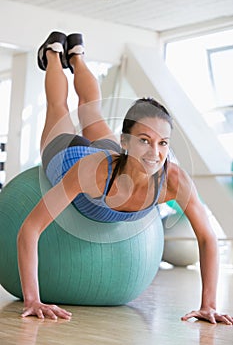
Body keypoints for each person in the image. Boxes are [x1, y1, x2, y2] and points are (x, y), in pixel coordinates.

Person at [17, 31, 233, 324]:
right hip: (68, 157)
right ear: (126, 141)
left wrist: (208, 305)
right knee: (59, 108)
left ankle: (76, 56)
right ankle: (53, 51)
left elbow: (207, 239)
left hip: (114, 159)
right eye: (144, 140)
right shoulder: (90, 174)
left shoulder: (174, 180)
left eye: (162, 143)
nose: (154, 153)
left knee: (91, 109)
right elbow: (29, 229)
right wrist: (33, 299)